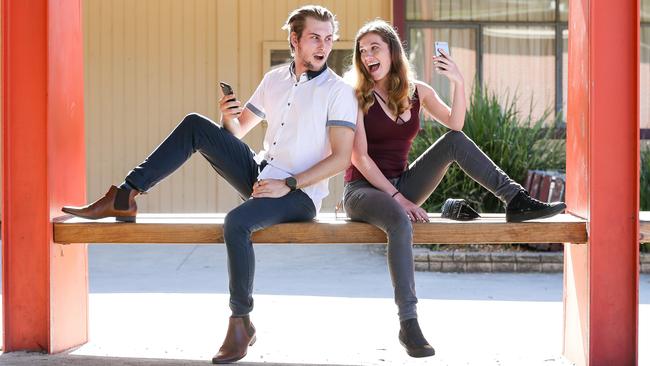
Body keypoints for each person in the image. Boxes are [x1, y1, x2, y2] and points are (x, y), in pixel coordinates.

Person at [62, 5, 357, 364]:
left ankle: (240, 322)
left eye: (328, 39)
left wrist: (289, 184)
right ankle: (125, 195)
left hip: (299, 194)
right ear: (294, 40)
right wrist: (225, 115)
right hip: (261, 174)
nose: (323, 46)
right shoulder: (274, 80)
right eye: (314, 37)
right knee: (195, 125)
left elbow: (341, 158)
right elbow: (238, 131)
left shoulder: (338, 91)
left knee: (236, 222)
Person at [343, 20, 565, 358]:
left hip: (401, 186)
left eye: (374, 47)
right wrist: (399, 198)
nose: (367, 55)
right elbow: (358, 156)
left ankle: (515, 199)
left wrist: (458, 81)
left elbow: (456, 124)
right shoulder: (356, 95)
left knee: (454, 141)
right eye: (362, 51)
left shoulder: (417, 91)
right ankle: (409, 322)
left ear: (392, 52)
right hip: (362, 191)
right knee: (399, 221)